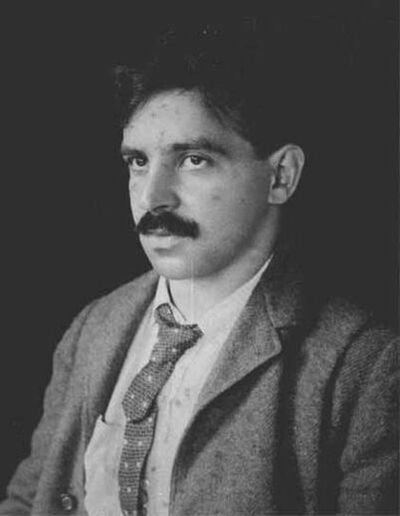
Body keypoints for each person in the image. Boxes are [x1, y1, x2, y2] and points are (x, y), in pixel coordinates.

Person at [1, 21, 398, 516]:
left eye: (193, 159)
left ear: (280, 176)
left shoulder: (366, 368)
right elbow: (27, 501)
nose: (152, 197)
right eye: (138, 162)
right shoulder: (93, 327)